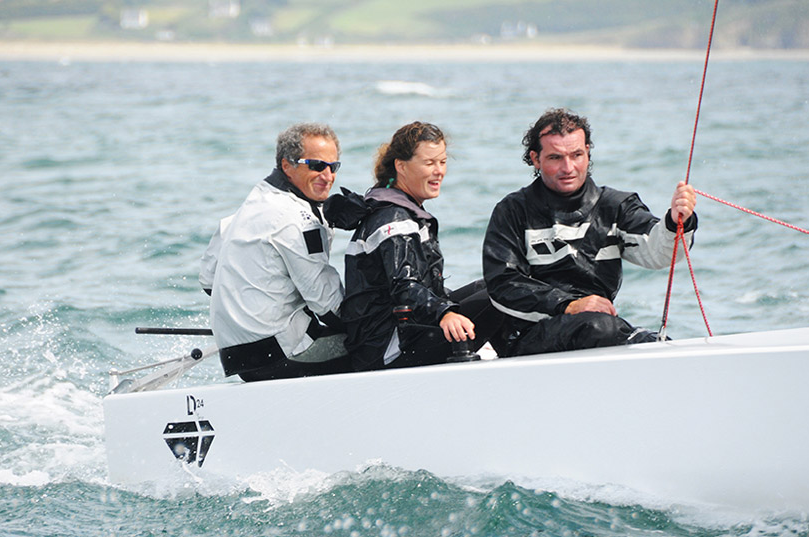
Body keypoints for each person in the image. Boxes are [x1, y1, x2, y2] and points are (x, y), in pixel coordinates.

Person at [483, 107, 698, 355]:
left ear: (588, 153)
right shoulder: (512, 210)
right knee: (600, 327)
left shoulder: (616, 206)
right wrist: (568, 305)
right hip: (527, 335)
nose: (568, 167)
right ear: (535, 158)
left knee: (613, 330)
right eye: (555, 158)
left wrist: (674, 222)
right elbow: (502, 285)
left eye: (576, 155)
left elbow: (658, 253)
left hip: (597, 329)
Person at [337, 121, 503, 371]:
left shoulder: (399, 207)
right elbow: (405, 286)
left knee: (498, 284)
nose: (439, 171)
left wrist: (444, 308)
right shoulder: (393, 219)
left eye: (443, 162)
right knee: (501, 296)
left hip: (407, 327)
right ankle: (517, 359)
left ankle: (506, 355)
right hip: (387, 347)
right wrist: (445, 313)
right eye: (429, 163)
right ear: (401, 166)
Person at [199, 122, 352, 382]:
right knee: (383, 347)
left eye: (333, 166)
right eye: (316, 165)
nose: (328, 176)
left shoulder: (250, 206)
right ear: (286, 165)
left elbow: (208, 282)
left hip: (236, 355)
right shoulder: (296, 219)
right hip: (280, 355)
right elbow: (328, 305)